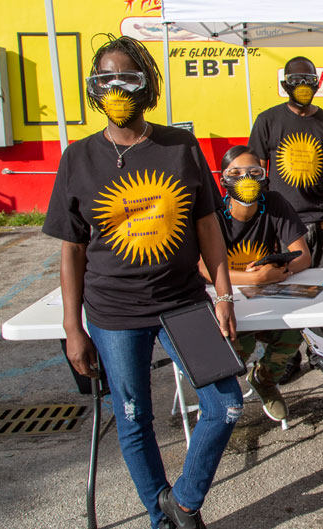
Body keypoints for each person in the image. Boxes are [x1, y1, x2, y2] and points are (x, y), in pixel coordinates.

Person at [43, 35, 239, 529]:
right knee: (133, 420)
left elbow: (209, 226)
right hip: (112, 312)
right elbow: (72, 249)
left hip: (183, 303)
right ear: (93, 88)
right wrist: (73, 328)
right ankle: (164, 519)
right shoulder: (77, 158)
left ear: (147, 84)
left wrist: (224, 294)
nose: (116, 88)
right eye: (104, 79)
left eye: (128, 77)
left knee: (227, 405)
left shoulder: (180, 146)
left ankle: (184, 503)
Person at [249, 55, 323, 380]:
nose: (303, 87)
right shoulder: (267, 120)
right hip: (280, 223)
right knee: (282, 291)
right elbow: (257, 172)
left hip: (320, 219)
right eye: (296, 81)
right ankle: (285, 356)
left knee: (320, 291)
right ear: (284, 85)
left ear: (317, 84)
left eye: (308, 80)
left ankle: (321, 351)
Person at [198, 145, 311, 422]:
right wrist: (254, 278)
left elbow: (303, 256)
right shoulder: (212, 210)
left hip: (266, 297)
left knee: (291, 335)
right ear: (223, 180)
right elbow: (203, 268)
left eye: (254, 172)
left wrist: (280, 270)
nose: (245, 178)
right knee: (238, 346)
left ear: (264, 176)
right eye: (235, 172)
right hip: (225, 300)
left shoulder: (273, 203)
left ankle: (264, 379)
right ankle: (220, 401)